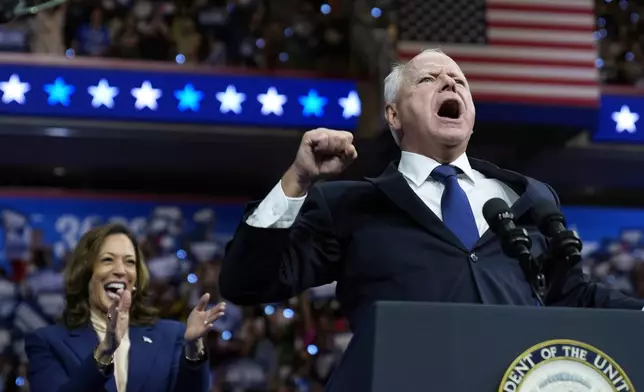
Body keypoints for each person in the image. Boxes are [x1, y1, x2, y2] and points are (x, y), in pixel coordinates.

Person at [219, 48, 644, 332]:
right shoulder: (349, 204)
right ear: (393, 115)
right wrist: (297, 179)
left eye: (459, 80)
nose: (450, 84)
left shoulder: (527, 198)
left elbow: (573, 296)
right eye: (428, 79)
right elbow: (246, 283)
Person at [25, 223, 226, 392]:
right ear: (85, 274)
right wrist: (104, 352)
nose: (120, 271)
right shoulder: (47, 342)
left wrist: (193, 351)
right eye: (107, 260)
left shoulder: (172, 335)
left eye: (129, 262)